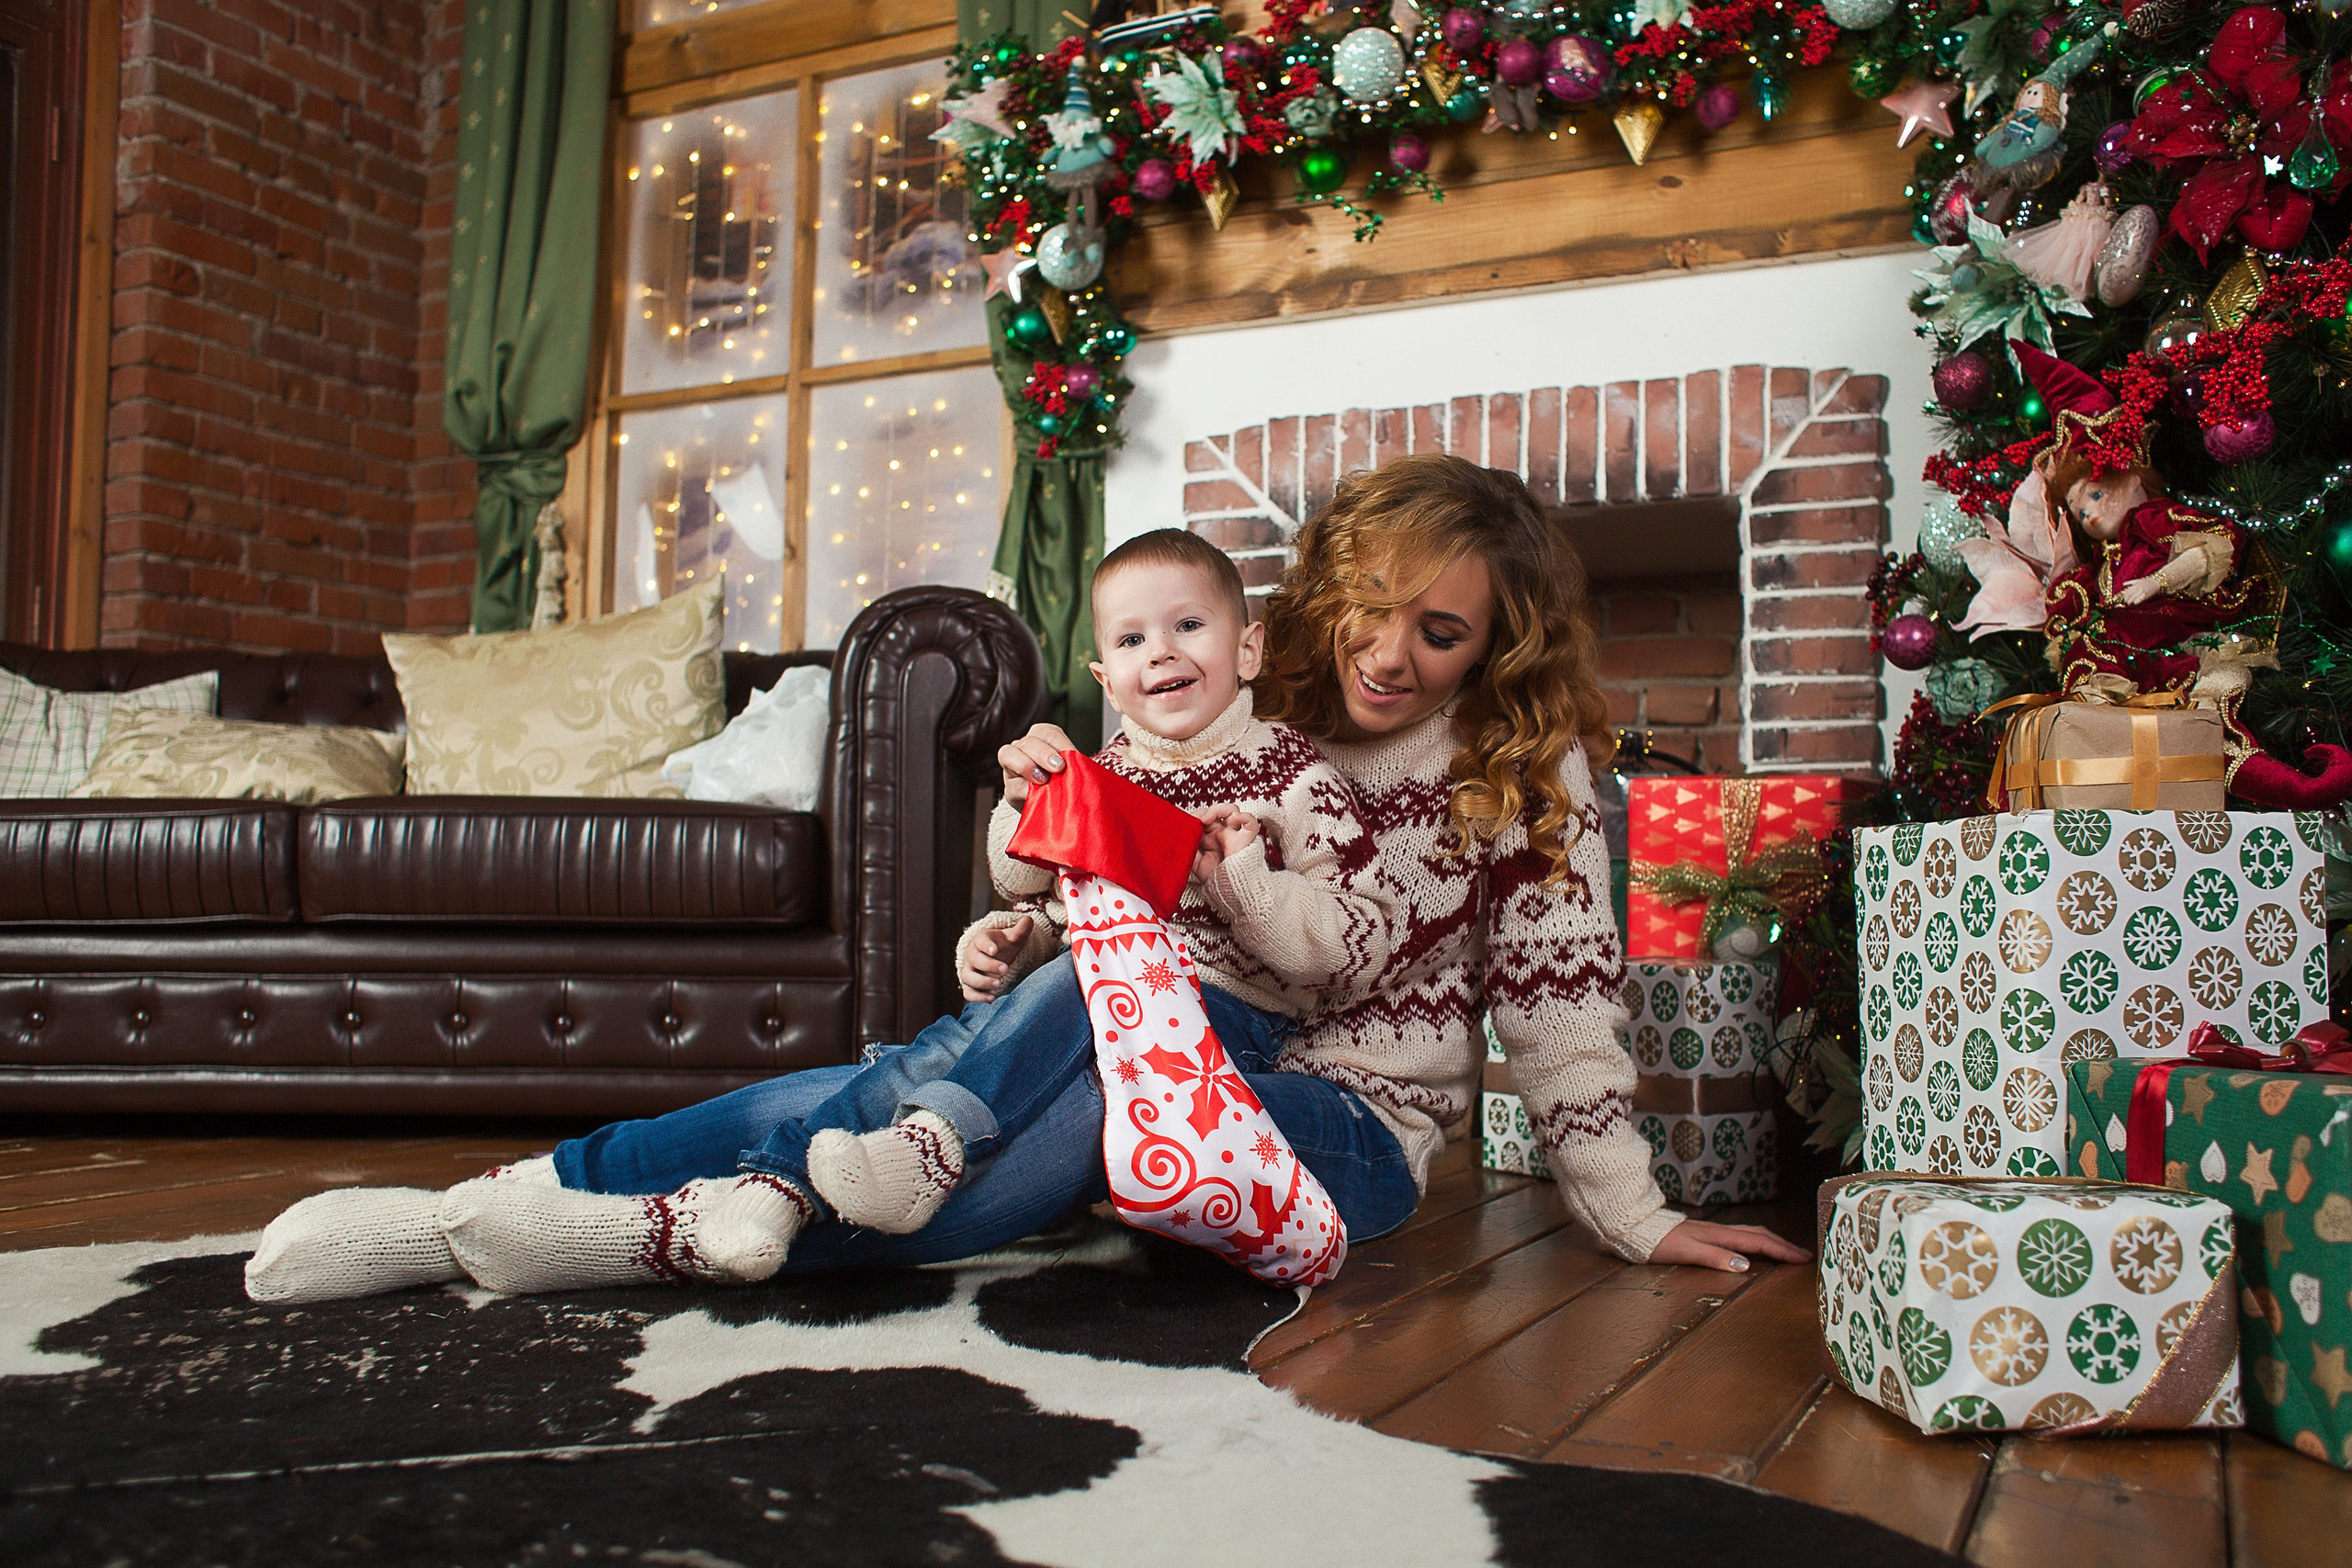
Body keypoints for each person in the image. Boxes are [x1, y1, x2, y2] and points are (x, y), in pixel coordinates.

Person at [243, 454, 1801, 1305]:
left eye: (1441, 634)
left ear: (1498, 647)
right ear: (1323, 600)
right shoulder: (1245, 713)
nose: (1394, 654)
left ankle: (592, 1215)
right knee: (970, 1063)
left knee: (1091, 1042)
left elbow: (1559, 1009)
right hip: (1149, 1066)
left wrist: (1631, 1213)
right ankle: (513, 1210)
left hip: (1343, 1135)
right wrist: (1039, 859)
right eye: (1376, 612)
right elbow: (1083, 883)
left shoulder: (1518, 780)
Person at [699, 527, 1401, 1263]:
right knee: (950, 1046)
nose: (1160, 650)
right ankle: (770, 1182)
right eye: (1132, 639)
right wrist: (1021, 921)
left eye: (1188, 625)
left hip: (1224, 1019)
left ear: (1247, 649)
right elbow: (1032, 884)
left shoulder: (1297, 777)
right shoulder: (1105, 771)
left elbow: (1354, 947)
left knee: (1087, 983)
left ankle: (929, 1144)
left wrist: (1245, 882)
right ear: (1105, 677)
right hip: (1091, 999)